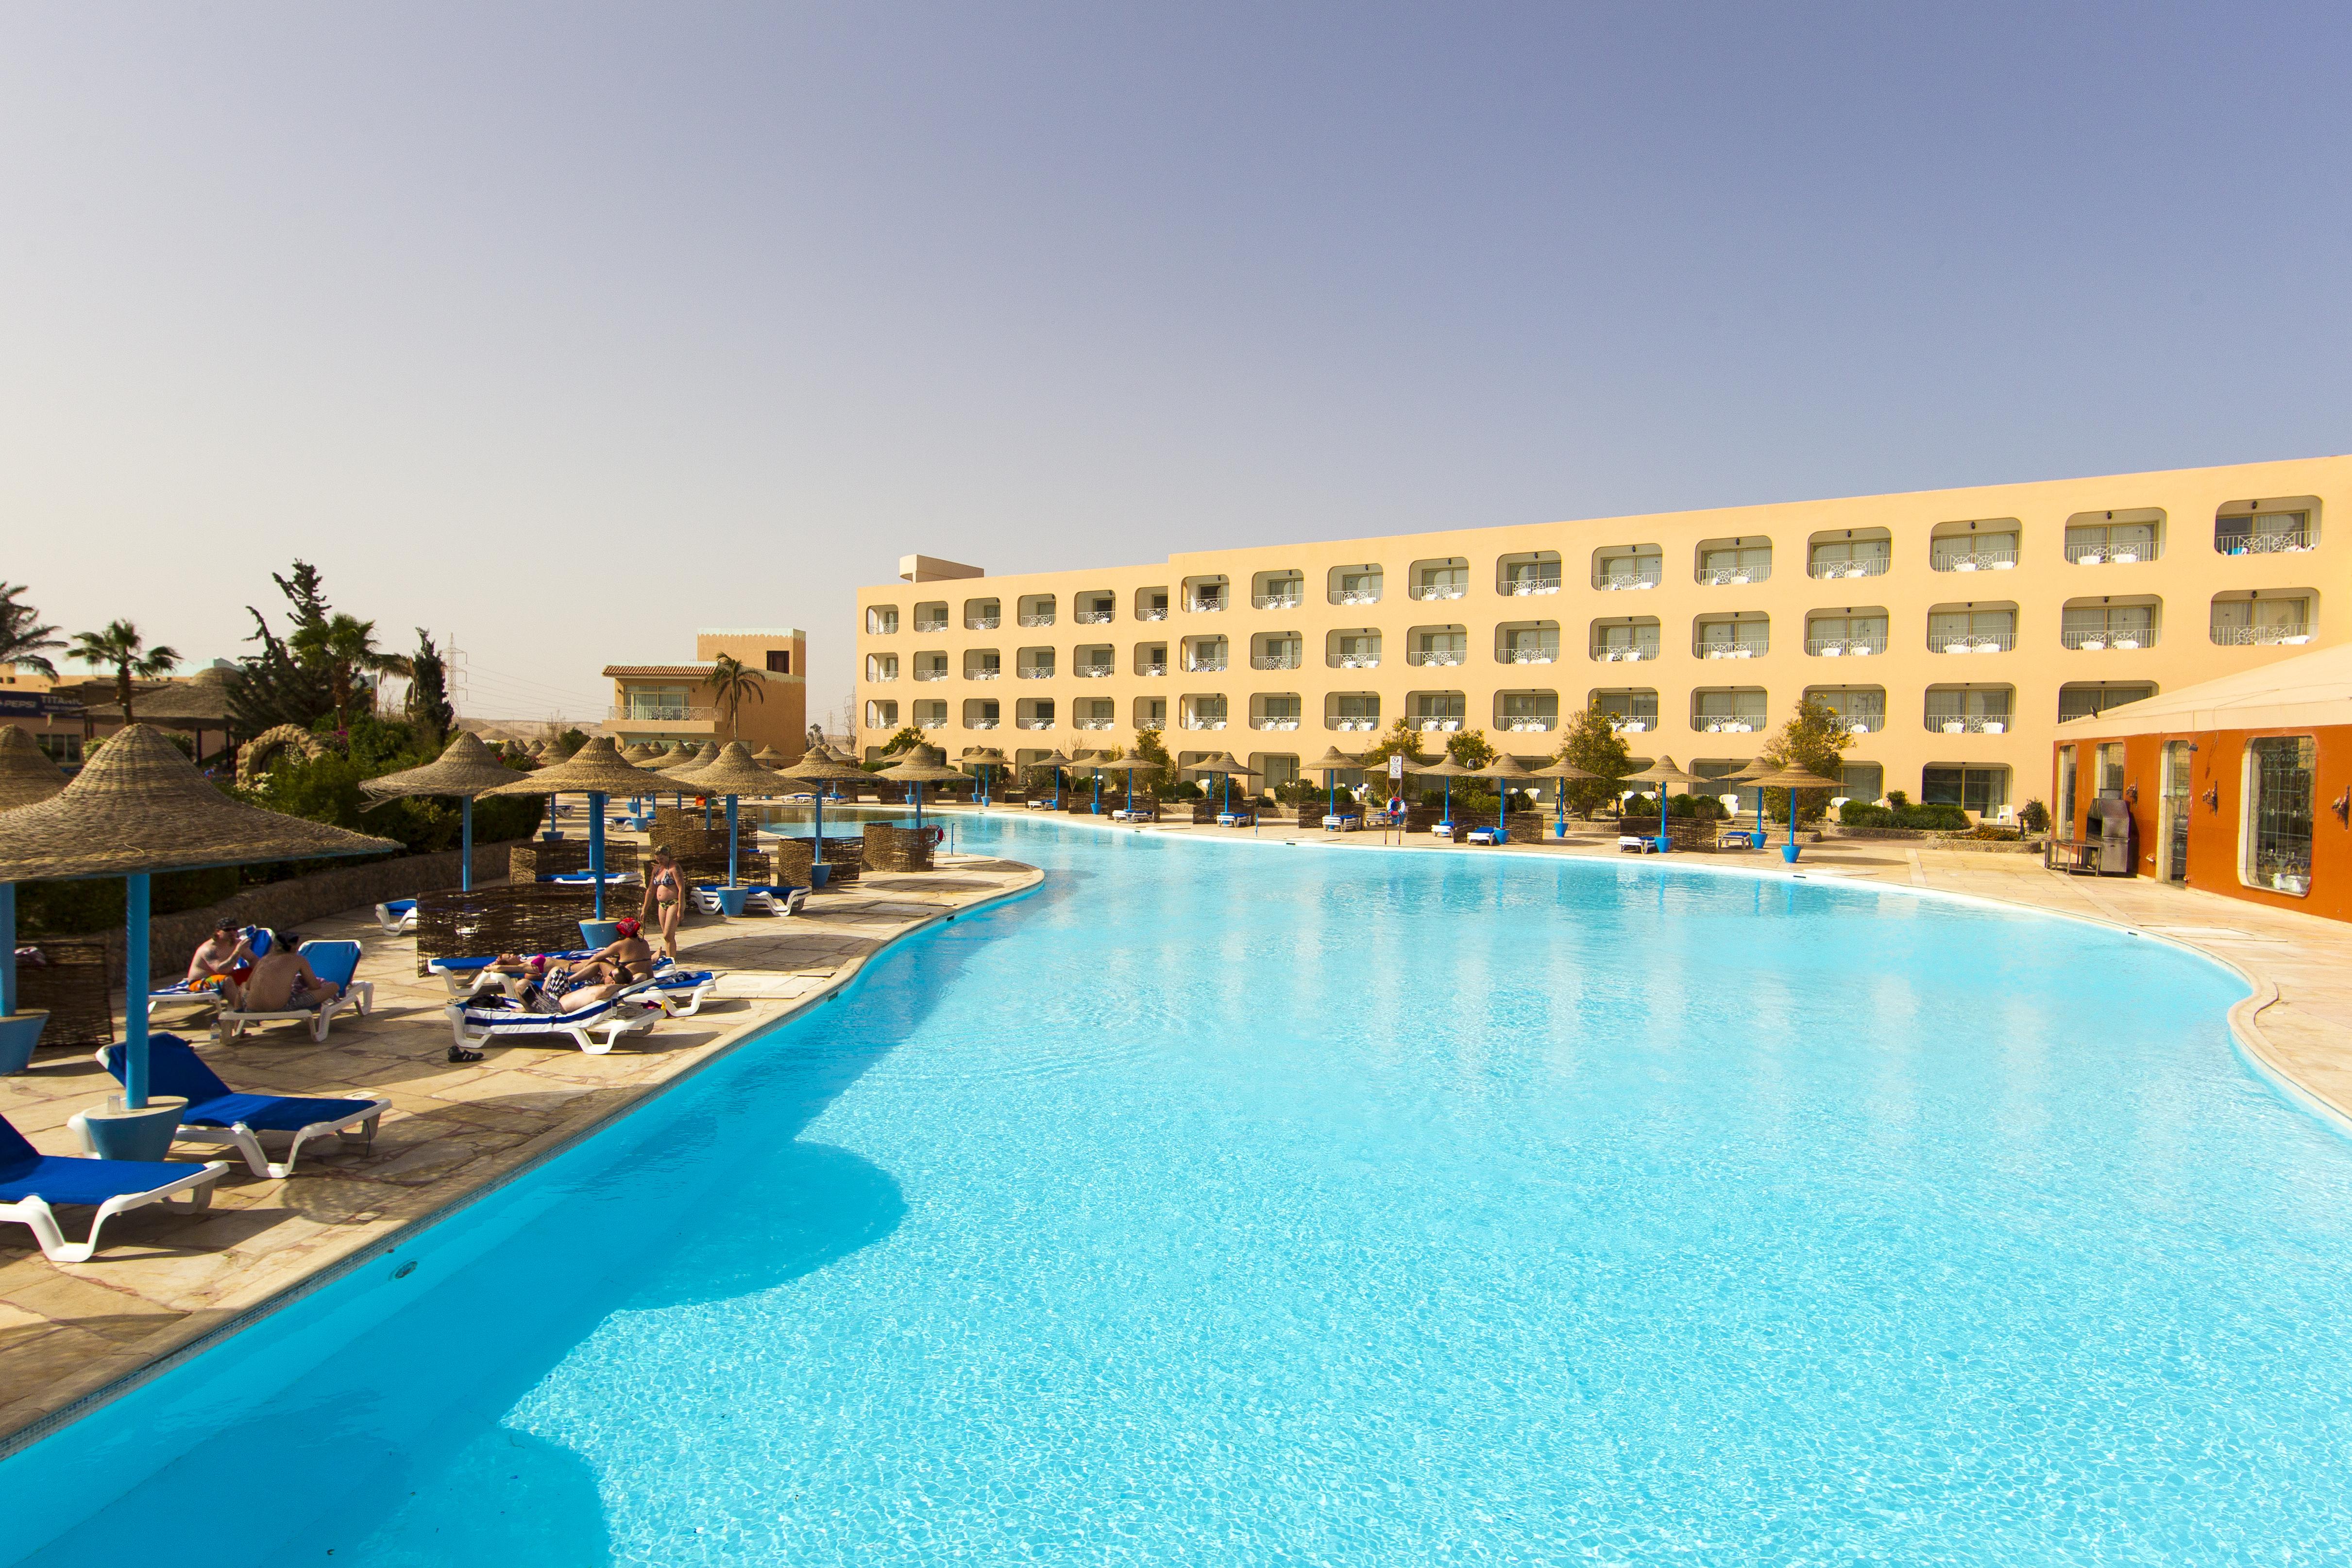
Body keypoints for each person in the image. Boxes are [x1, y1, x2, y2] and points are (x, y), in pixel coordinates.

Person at [241, 932, 342, 1014]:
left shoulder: (264, 960)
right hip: (280, 1008)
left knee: (243, 985)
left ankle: (238, 1020)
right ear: (295, 948)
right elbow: (315, 987)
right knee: (334, 986)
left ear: (275, 946)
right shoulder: (298, 960)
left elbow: (248, 986)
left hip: (252, 1008)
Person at [186, 920, 254, 1003]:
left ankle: (263, 1004)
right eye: (227, 930)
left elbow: (254, 960)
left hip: (225, 976)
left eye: (235, 929)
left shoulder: (237, 943)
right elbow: (222, 970)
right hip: (201, 982)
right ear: (218, 932)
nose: (232, 932)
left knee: (257, 972)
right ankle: (240, 1008)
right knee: (226, 980)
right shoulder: (209, 949)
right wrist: (238, 951)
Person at [642, 850, 685, 960]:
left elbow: (681, 889)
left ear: (668, 856)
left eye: (661, 859)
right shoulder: (657, 869)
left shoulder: (674, 868)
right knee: (666, 937)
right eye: (657, 859)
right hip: (662, 904)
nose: (659, 861)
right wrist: (645, 909)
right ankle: (670, 959)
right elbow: (651, 890)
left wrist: (681, 909)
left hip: (673, 903)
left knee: (668, 934)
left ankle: (671, 960)